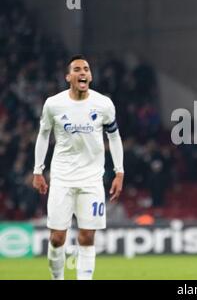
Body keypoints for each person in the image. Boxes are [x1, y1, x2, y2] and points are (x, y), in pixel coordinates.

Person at [32, 55, 124, 280]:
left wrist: (119, 171)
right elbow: (43, 135)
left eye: (86, 69)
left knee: (87, 237)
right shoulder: (53, 104)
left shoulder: (103, 104)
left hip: (92, 180)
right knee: (57, 239)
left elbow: (114, 137)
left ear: (90, 76)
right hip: (62, 178)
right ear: (68, 77)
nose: (82, 72)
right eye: (77, 69)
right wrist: (38, 170)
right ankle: (57, 278)